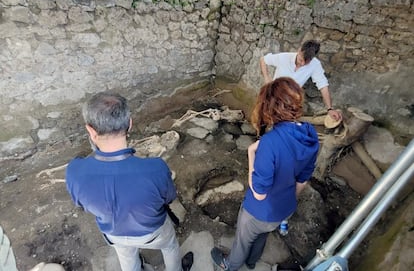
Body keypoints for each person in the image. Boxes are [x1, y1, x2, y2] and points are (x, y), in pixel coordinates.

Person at [65, 92, 193, 271]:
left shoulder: (74, 171)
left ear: (91, 130)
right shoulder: (155, 168)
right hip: (153, 233)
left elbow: (81, 205)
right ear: (129, 124)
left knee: (126, 256)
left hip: (113, 233)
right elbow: (168, 198)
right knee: (170, 246)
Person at [211, 77, 320, 271]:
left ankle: (230, 265)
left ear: (270, 107)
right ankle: (252, 262)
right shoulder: (310, 135)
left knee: (243, 241)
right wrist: (285, 202)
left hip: (259, 211)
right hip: (284, 210)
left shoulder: (270, 142)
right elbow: (302, 181)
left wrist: (251, 153)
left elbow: (259, 191)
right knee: (261, 235)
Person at [259, 40, 342, 121]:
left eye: (306, 62)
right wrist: (267, 78)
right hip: (274, 96)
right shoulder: (284, 57)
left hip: (291, 102)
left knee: (284, 124)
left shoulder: (315, 65)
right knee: (265, 118)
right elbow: (263, 60)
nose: (302, 64)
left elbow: (323, 86)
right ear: (299, 51)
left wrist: (330, 109)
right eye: (301, 60)